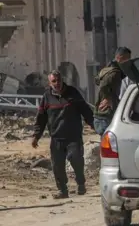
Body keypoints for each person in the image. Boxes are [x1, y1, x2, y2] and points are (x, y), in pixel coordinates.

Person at [32, 71, 95, 199]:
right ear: (50, 83)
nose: (57, 83)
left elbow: (85, 110)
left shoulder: (73, 93)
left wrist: (94, 125)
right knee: (57, 165)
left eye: (59, 80)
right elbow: (41, 118)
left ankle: (81, 183)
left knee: (76, 160)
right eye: (54, 81)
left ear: (62, 80)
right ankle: (62, 190)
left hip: (73, 136)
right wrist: (36, 136)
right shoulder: (47, 97)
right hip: (56, 137)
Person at [94, 47, 130, 135]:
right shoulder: (115, 72)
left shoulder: (109, 69)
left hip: (103, 116)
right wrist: (107, 98)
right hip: (106, 116)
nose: (128, 62)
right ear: (119, 58)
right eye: (127, 59)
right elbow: (103, 86)